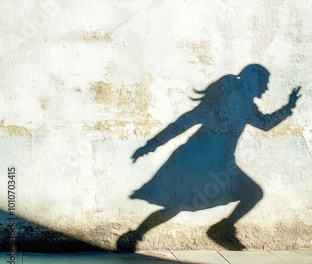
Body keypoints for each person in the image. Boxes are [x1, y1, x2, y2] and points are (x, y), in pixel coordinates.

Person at [117, 64, 301, 251]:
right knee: (249, 193)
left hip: (212, 163)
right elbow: (182, 124)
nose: (266, 88)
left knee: (177, 206)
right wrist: (151, 145)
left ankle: (137, 235)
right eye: (264, 82)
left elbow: (180, 124)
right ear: (252, 81)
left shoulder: (237, 106)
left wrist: (151, 145)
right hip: (200, 163)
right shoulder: (231, 105)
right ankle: (222, 228)